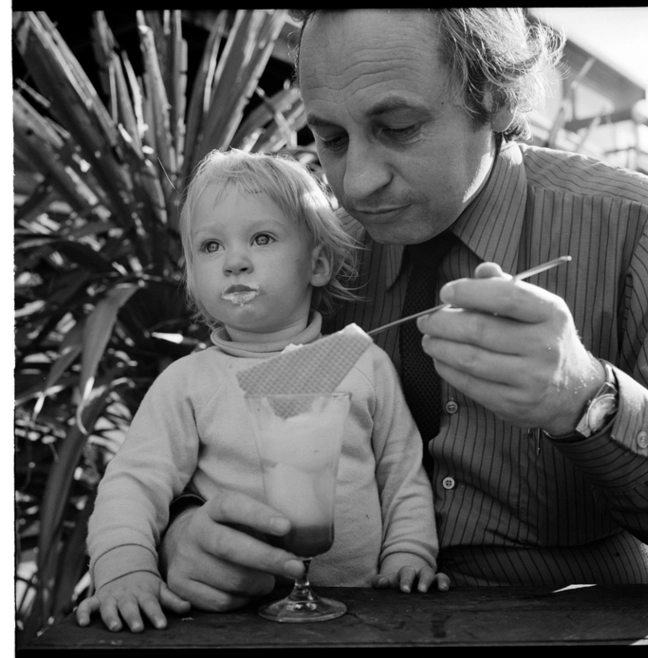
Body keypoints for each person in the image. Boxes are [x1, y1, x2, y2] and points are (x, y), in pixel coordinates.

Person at [157, 8, 648, 611]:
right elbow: (210, 414)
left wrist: (583, 398)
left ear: (493, 96)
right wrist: (184, 527)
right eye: (331, 139)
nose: (357, 183)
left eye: (397, 126)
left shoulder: (636, 230)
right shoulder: (311, 256)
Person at [75, 149, 448, 632]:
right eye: (210, 247)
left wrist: (408, 553)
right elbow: (133, 483)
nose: (234, 262)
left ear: (316, 265)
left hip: (360, 614)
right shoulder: (187, 383)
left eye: (262, 238)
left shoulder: (363, 364)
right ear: (191, 275)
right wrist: (125, 571)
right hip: (233, 620)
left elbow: (400, 471)